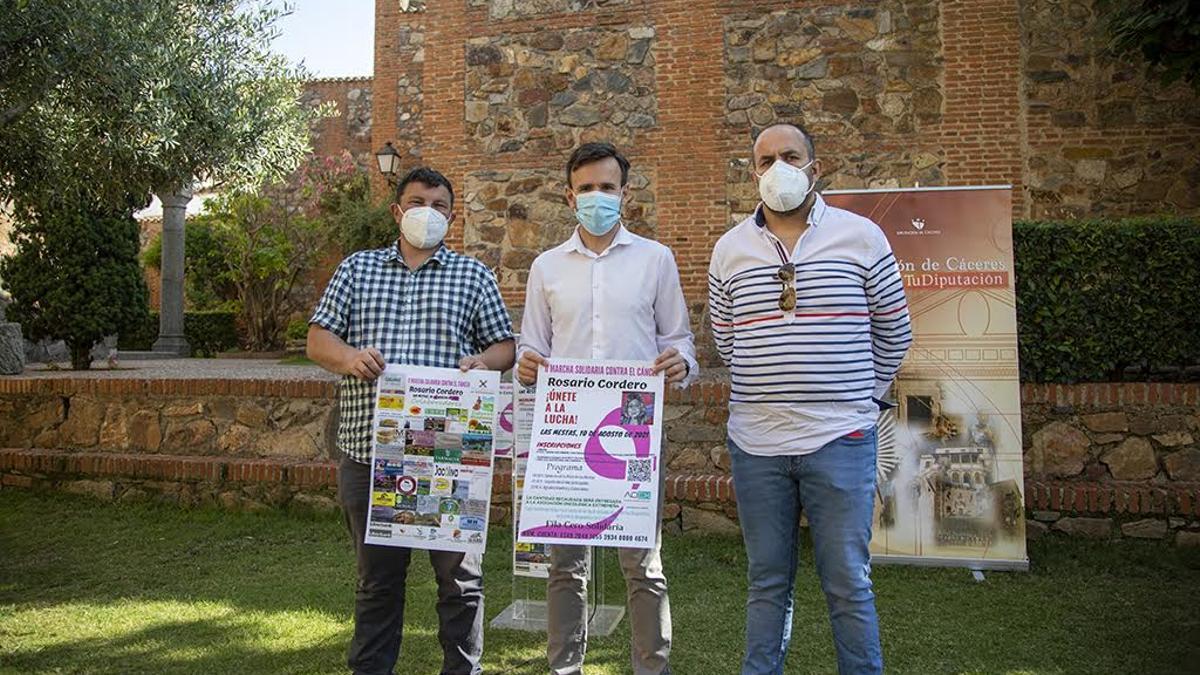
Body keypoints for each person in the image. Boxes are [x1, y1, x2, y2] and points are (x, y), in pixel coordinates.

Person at [707, 123, 912, 675]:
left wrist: (857, 399)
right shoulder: (729, 250)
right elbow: (725, 339)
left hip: (839, 438)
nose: (777, 168)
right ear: (753, 173)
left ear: (814, 167)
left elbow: (895, 332)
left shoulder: (863, 237)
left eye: (789, 156)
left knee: (847, 580)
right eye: (765, 159)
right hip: (757, 442)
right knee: (767, 580)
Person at [307, 166, 516, 675]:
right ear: (398, 211)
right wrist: (350, 358)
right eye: (418, 201)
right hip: (368, 453)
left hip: (446, 452)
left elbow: (505, 346)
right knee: (377, 582)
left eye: (440, 205)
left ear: (452, 215)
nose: (429, 211)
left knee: (459, 582)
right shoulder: (357, 269)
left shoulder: (473, 276)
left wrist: (482, 362)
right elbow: (318, 340)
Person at [516, 141, 698, 675]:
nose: (598, 197)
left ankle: (651, 669)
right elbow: (532, 346)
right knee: (564, 568)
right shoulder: (546, 267)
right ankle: (563, 669)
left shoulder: (655, 259)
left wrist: (680, 362)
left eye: (608, 187)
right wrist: (527, 364)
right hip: (566, 433)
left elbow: (680, 338)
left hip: (634, 430)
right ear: (570, 196)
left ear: (626, 194)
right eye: (587, 188)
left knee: (643, 565)